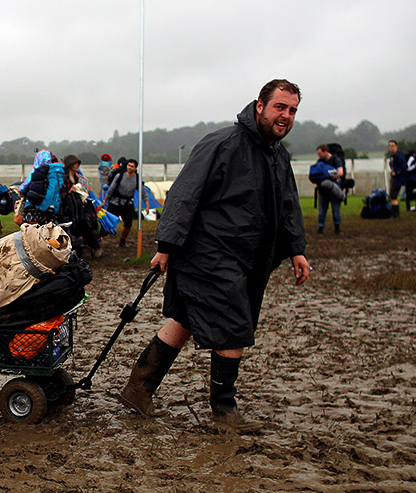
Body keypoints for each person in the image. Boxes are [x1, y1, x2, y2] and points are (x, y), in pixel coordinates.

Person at [118, 78, 310, 432]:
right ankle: (224, 413)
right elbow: (184, 194)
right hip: (207, 253)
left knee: (189, 319)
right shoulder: (223, 144)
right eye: (279, 107)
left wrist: (297, 249)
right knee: (233, 327)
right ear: (259, 106)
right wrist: (165, 247)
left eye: (292, 110)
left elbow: (287, 205)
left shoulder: (278, 156)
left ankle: (138, 388)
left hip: (247, 258)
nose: (285, 116)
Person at [309, 144, 346, 234]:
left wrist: (330, 177)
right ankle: (320, 228)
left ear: (326, 151)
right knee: (322, 210)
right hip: (323, 190)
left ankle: (337, 228)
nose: (319, 155)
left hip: (334, 189)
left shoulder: (335, 159)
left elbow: (341, 172)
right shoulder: (320, 162)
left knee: (336, 210)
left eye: (320, 153)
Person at [105, 159, 139, 247]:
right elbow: (111, 189)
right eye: (128, 165)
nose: (130, 168)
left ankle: (122, 241)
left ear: (135, 168)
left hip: (127, 204)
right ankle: (99, 239)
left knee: (128, 223)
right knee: (107, 221)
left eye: (132, 166)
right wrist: (105, 200)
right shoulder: (119, 176)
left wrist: (147, 205)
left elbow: (143, 192)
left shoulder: (137, 178)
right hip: (115, 202)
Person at [386, 140, 407, 216]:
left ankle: (395, 215)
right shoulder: (392, 156)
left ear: (396, 146)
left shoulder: (399, 156)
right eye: (390, 146)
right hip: (394, 177)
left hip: (397, 179)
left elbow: (404, 166)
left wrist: (397, 172)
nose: (391, 147)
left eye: (393, 146)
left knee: (393, 197)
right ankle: (394, 214)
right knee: (392, 197)